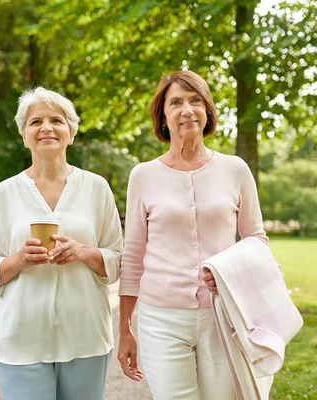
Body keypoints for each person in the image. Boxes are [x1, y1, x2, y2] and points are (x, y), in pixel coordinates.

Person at [117, 70, 269, 399]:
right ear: (163, 116)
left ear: (207, 111)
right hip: (161, 318)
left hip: (222, 314)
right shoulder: (143, 175)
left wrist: (228, 271)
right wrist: (124, 327)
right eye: (176, 102)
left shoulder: (235, 170)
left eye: (195, 100)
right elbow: (132, 255)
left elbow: (256, 238)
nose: (187, 110)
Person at [0, 87, 123, 400]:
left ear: (70, 133)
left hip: (85, 335)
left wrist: (85, 252)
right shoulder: (5, 192)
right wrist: (19, 259)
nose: (46, 128)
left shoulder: (96, 188)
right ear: (24, 135)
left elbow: (117, 259)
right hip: (21, 339)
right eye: (36, 122)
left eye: (56, 120)